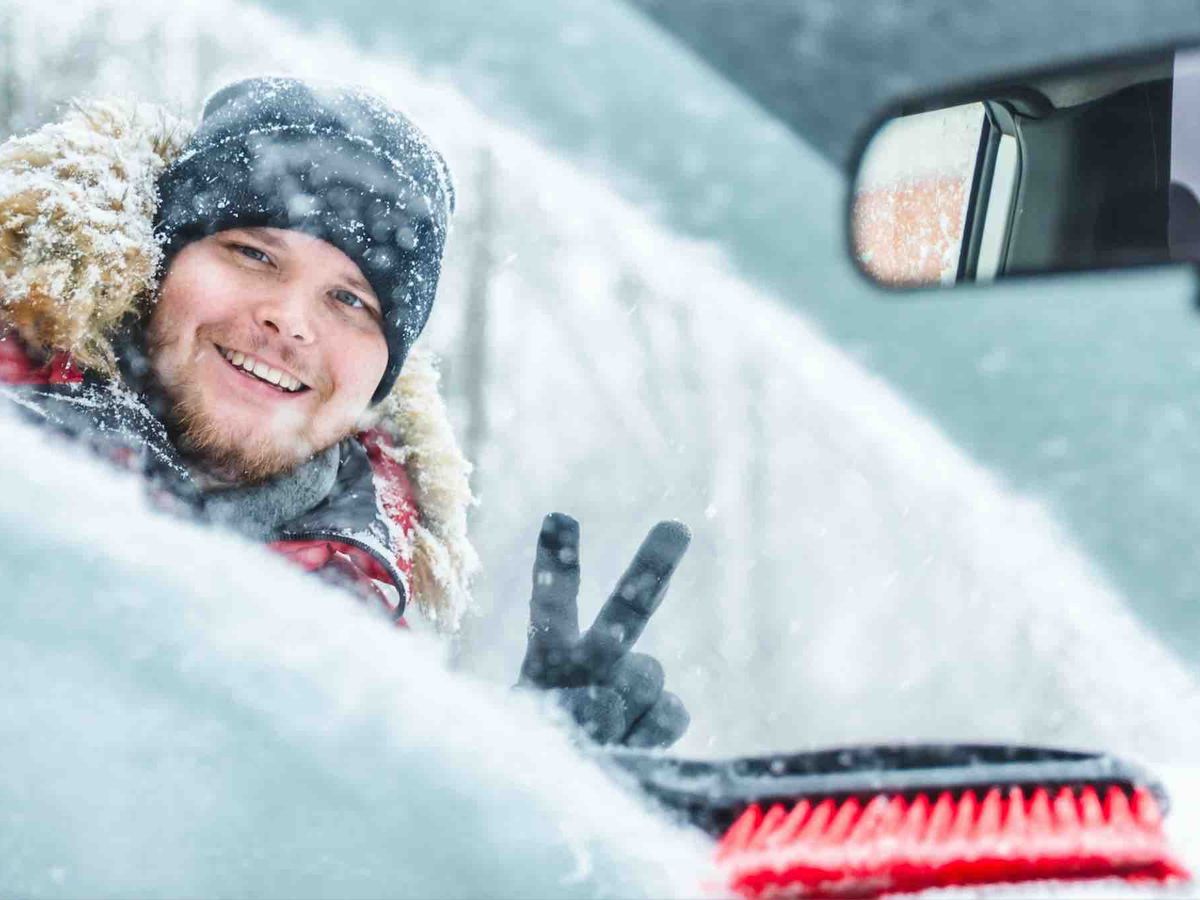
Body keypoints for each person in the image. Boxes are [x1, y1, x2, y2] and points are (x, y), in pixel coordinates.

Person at [0, 77, 689, 748]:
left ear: (378, 381)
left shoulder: (354, 676)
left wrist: (519, 796)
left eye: (351, 301)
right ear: (154, 265)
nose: (289, 321)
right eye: (253, 254)